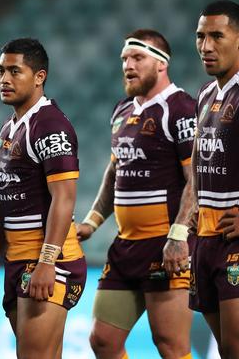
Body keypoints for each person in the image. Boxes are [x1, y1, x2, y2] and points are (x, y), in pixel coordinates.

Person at [76, 29, 197, 359]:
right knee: (102, 341)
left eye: (137, 58)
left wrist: (179, 235)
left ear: (161, 64)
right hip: (125, 247)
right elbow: (115, 171)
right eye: (124, 59)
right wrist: (92, 221)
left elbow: (196, 179)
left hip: (165, 245)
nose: (128, 65)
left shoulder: (181, 108)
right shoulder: (121, 111)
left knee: (170, 345)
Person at [0, 38, 86, 359]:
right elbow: (8, 201)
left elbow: (64, 198)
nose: (4, 79)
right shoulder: (8, 129)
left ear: (39, 77)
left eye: (14, 71)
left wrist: (47, 262)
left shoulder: (50, 125)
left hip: (50, 260)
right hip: (18, 260)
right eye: (0, 71)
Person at [183, 0, 239, 358]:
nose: (206, 46)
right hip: (207, 240)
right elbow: (202, 160)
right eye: (201, 36)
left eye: (217, 35)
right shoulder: (205, 94)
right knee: (230, 352)